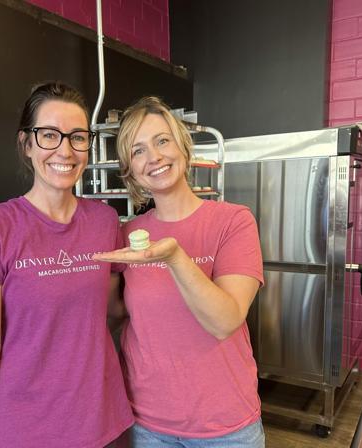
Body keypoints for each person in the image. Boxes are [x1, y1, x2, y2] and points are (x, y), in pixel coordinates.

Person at [0, 81, 133, 448]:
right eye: (49, 135)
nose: (65, 150)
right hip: (27, 429)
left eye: (77, 137)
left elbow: (111, 311)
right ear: (26, 143)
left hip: (103, 421)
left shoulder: (104, 221)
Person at [93, 96, 265, 447]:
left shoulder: (233, 222)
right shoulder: (129, 234)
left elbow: (225, 321)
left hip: (225, 427)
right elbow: (119, 312)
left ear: (183, 148)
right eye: (138, 150)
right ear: (130, 169)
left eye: (162, 141)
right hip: (148, 424)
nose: (154, 157)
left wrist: (175, 257)